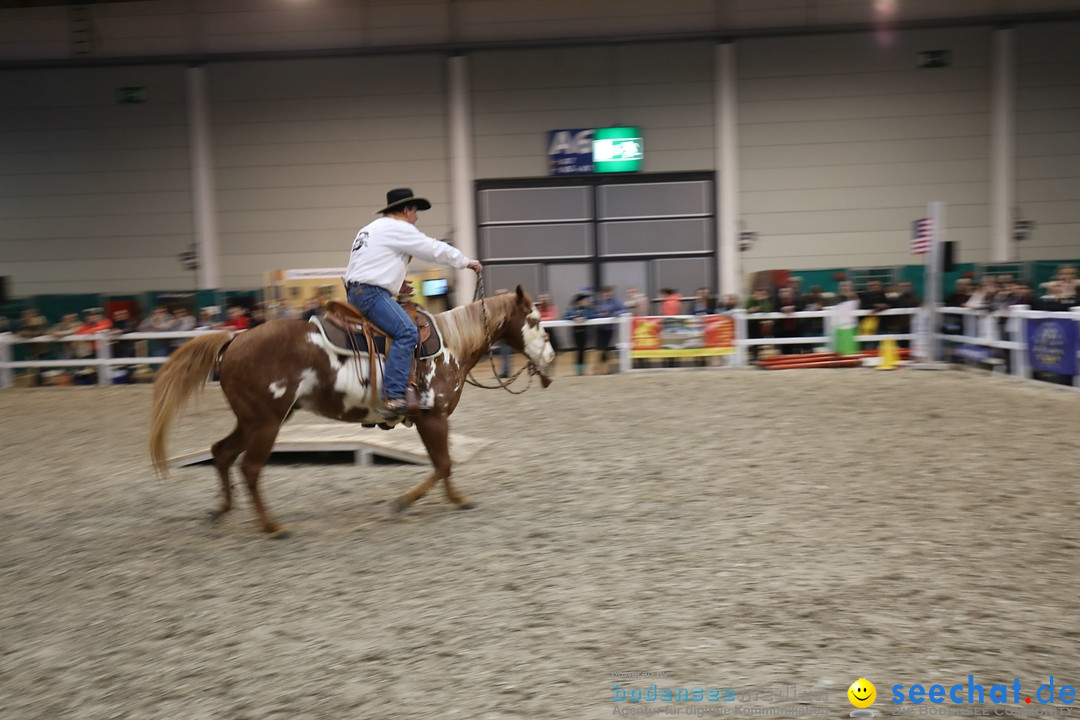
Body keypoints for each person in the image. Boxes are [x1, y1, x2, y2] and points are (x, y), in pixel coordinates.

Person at [345, 188, 482, 417]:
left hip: (357, 292)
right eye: (415, 212)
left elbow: (366, 266)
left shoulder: (369, 229)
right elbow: (432, 249)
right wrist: (466, 262)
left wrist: (395, 283)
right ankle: (393, 396)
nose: (416, 218)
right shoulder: (398, 228)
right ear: (406, 209)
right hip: (371, 294)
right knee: (408, 332)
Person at [591, 285, 622, 374]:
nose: (606, 294)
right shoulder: (598, 302)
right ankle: (597, 368)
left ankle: (607, 368)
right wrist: (598, 314)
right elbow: (594, 312)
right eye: (604, 292)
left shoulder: (615, 301)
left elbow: (623, 310)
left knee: (607, 349)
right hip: (599, 327)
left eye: (608, 292)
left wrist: (614, 314)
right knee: (599, 349)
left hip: (609, 328)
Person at [563, 292, 592, 375]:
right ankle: (578, 369)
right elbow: (565, 316)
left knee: (583, 351)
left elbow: (592, 315)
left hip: (585, 333)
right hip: (575, 333)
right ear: (579, 301)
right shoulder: (572, 309)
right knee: (578, 351)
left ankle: (581, 369)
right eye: (584, 300)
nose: (586, 302)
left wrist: (585, 318)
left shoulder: (587, 310)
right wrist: (574, 318)